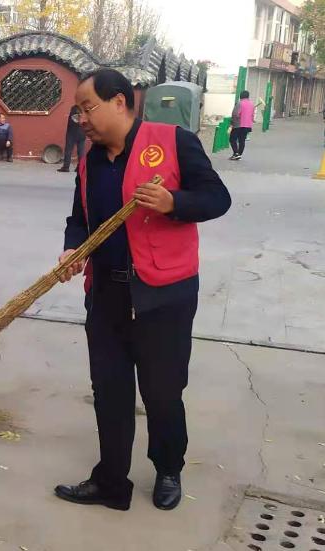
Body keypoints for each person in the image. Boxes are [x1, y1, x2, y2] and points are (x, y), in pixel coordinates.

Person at [55, 69, 231, 512]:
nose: (82, 119)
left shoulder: (173, 141)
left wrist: (175, 203)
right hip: (107, 295)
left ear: (119, 102)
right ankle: (111, 482)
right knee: (109, 390)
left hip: (164, 294)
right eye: (78, 111)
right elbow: (81, 215)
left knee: (162, 391)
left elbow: (217, 198)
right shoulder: (90, 161)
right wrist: (72, 249)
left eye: (87, 107)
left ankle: (168, 468)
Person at [58, 105, 86, 173]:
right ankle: (80, 168)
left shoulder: (75, 108)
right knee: (81, 151)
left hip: (72, 132)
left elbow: (75, 119)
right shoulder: (86, 109)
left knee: (68, 150)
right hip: (82, 133)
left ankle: (66, 167)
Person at [229, 90, 255, 160]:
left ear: (241, 96)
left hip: (238, 125)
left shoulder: (240, 103)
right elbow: (252, 116)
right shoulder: (252, 104)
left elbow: (235, 114)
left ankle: (236, 153)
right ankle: (239, 154)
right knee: (242, 140)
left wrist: (232, 122)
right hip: (247, 125)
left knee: (232, 139)